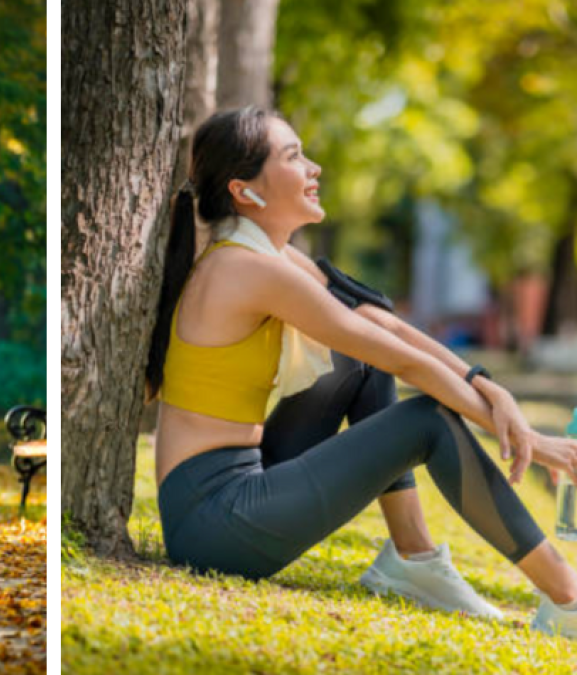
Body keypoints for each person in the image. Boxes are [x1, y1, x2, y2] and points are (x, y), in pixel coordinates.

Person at [147, 106, 577, 638]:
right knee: (426, 421)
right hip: (214, 522)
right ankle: (567, 596)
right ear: (245, 191)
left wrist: (487, 385)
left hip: (241, 479)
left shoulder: (268, 256)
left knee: (359, 363)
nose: (314, 168)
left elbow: (380, 325)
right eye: (293, 156)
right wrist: (526, 435)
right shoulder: (245, 268)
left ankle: (413, 559)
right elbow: (402, 360)